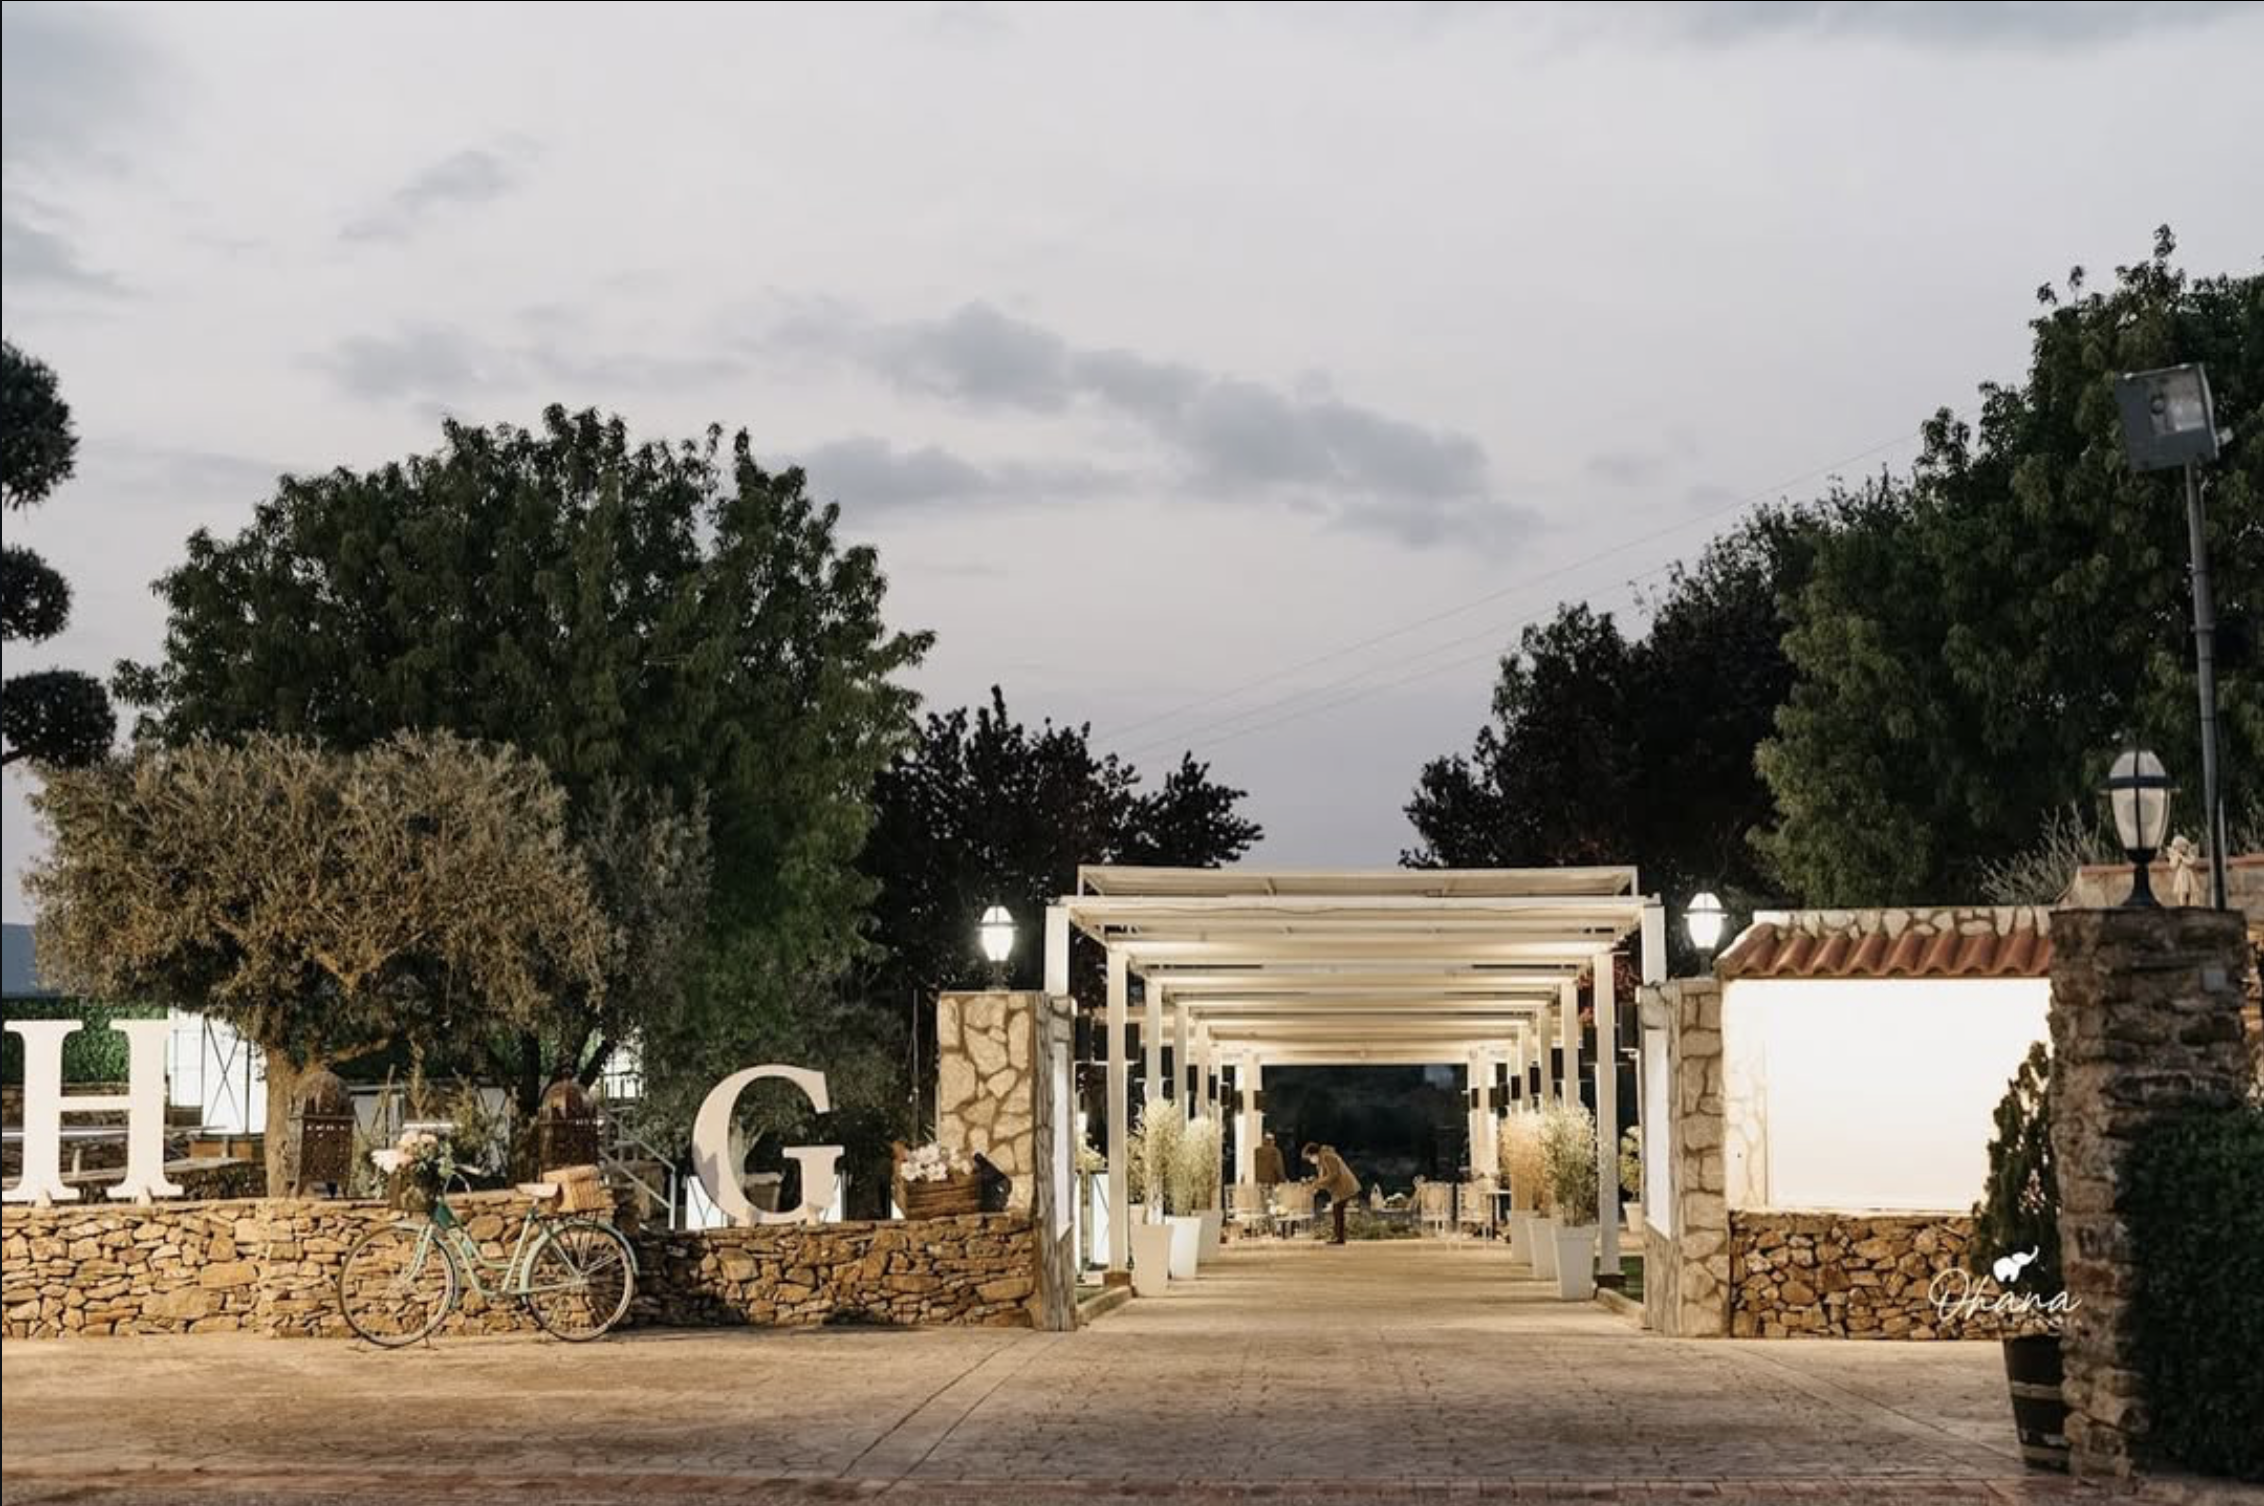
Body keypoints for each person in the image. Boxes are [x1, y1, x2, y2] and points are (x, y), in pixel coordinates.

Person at [1303, 1141, 1360, 1245]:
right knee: (1337, 1211)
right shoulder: (1322, 1159)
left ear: (1313, 1153)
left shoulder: (1327, 1157)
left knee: (1338, 1210)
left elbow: (1334, 1174)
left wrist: (1318, 1183)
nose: (1310, 1160)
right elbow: (1325, 1177)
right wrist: (1316, 1184)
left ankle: (1339, 1238)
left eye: (1309, 1157)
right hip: (1340, 1189)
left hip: (1344, 1187)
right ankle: (1338, 1237)